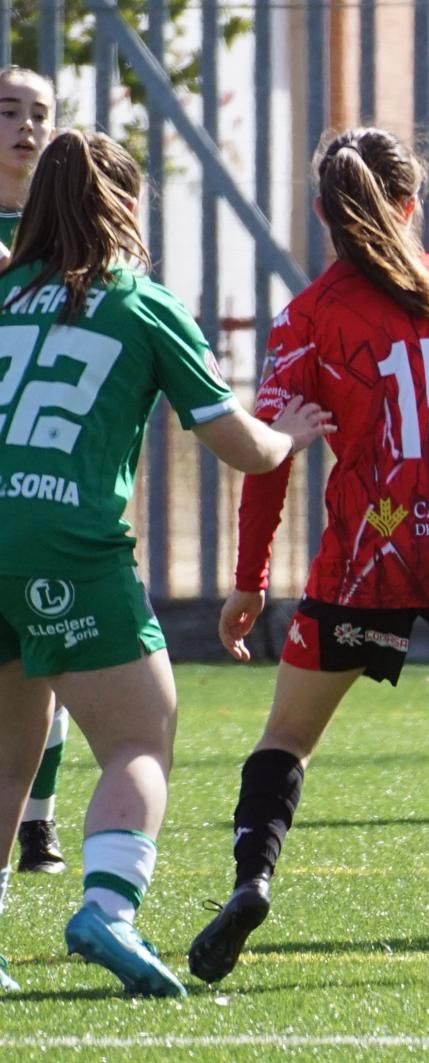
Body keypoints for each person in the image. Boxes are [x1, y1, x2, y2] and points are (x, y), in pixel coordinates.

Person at [186, 127, 429, 983]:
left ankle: (252, 882)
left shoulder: (312, 313)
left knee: (288, 733)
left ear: (324, 214)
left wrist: (250, 579)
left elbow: (268, 453)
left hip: (373, 552)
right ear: (413, 203)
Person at [0, 130, 332, 996]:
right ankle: (108, 907)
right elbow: (242, 448)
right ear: (126, 207)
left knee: (6, 749)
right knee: (140, 733)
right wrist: (290, 432)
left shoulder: (0, 292)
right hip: (64, 540)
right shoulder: (140, 303)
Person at [0, 65, 72, 878]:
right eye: (8, 110)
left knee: (42, 653)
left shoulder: (65, 238)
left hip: (44, 476)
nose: (25, 125)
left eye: (40, 113)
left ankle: (38, 825)